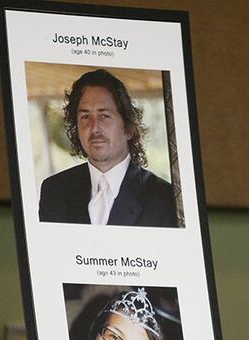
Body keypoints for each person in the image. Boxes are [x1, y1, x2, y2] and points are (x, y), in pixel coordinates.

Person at [39, 69, 177, 227]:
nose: (94, 128)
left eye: (104, 116)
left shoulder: (164, 198)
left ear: (129, 128)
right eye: (85, 116)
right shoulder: (54, 191)